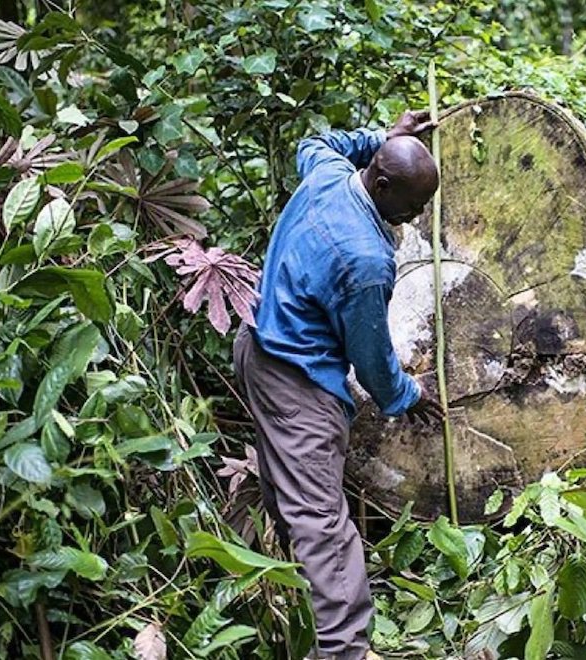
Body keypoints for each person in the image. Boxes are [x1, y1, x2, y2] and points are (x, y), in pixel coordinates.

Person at [233, 110, 445, 660]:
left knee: (289, 497)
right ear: (381, 183)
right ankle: (345, 651)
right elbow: (371, 361)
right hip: (297, 380)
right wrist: (409, 396)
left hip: (256, 345)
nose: (419, 215)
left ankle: (290, 611)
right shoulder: (367, 259)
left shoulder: (327, 172)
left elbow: (315, 140)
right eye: (415, 204)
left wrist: (385, 136)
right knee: (322, 521)